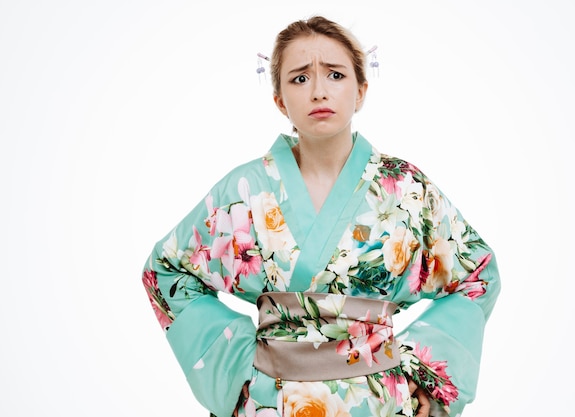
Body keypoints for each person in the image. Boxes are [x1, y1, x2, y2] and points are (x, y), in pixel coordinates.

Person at [141, 15, 500, 417]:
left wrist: (426, 374)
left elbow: (477, 272)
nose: (317, 91)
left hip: (378, 402)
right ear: (279, 100)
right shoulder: (245, 191)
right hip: (271, 401)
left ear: (361, 91)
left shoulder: (406, 188)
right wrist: (236, 370)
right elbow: (166, 270)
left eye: (334, 74)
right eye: (299, 78)